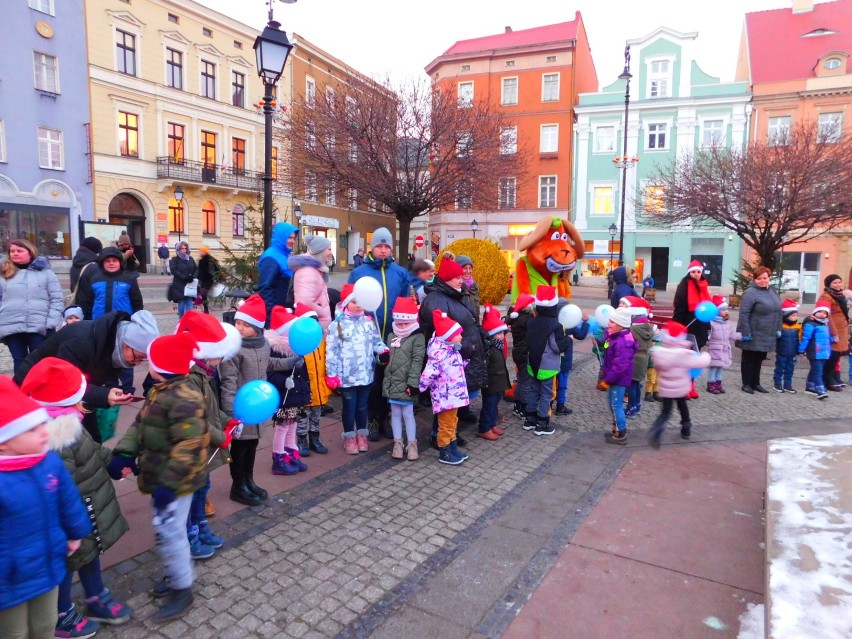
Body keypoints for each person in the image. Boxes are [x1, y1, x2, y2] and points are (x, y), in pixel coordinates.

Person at [21, 358, 132, 636]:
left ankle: (95, 595)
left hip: (86, 506)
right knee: (66, 565)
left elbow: (91, 449)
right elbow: (57, 487)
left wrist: (113, 462)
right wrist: (68, 523)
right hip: (72, 515)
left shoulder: (67, 422)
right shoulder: (53, 440)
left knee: (90, 553)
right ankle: (61, 614)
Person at [109, 332, 214, 621]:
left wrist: (169, 482)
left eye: (150, 361)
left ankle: (183, 588)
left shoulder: (184, 398)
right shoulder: (161, 390)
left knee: (172, 533)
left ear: (162, 366)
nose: (147, 366)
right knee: (166, 531)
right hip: (162, 479)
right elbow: (140, 424)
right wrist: (124, 453)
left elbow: (190, 446)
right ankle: (174, 576)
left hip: (176, 483)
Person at [0, 377, 91, 639]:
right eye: (31, 429)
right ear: (4, 441)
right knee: (13, 632)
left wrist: (75, 533)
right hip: (8, 578)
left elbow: (68, 500)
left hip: (47, 562)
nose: (44, 432)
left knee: (45, 624)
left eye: (43, 424)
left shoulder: (48, 463)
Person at [14, 309, 161, 443]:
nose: (137, 362)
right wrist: (104, 395)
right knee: (46, 441)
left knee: (90, 439)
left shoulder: (111, 341)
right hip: (36, 386)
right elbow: (65, 384)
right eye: (138, 357)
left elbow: (105, 370)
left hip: (71, 394)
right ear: (126, 344)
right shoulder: (81, 343)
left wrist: (112, 388)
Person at [219, 295, 298, 505]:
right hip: (239, 409)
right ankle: (238, 486)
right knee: (239, 448)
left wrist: (290, 362)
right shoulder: (233, 350)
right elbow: (228, 382)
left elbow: (269, 364)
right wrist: (229, 412)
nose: (240, 327)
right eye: (237, 323)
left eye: (245, 324)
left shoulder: (263, 344)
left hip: (257, 407)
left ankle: (249, 480)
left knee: (252, 445)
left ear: (257, 327)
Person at [348, 227, 415, 440]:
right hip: (368, 334)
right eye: (379, 246)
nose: (383, 250)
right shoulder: (359, 273)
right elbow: (349, 303)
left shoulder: (400, 273)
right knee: (372, 380)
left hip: (393, 334)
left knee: (392, 377)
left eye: (387, 246)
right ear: (372, 247)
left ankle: (386, 417)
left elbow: (405, 302)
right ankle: (372, 418)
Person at [419, 258, 487, 433]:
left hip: (463, 354)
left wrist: (483, 337)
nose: (461, 279)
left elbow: (471, 319)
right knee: (445, 398)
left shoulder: (458, 294)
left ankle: (454, 425)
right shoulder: (437, 300)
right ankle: (440, 435)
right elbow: (442, 334)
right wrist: (466, 347)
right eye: (457, 277)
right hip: (452, 357)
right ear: (447, 279)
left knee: (458, 394)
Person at [326, 284, 389, 454]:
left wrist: (383, 351)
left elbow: (376, 342)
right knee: (349, 407)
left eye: (360, 301)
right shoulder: (337, 325)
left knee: (362, 407)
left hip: (365, 374)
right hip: (346, 376)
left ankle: (362, 435)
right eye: (353, 301)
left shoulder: (369, 323)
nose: (357, 305)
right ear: (346, 303)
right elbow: (331, 351)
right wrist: (331, 374)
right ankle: (349, 437)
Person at [0, 239, 64, 373]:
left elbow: (56, 299)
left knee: (40, 361)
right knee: (19, 361)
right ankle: (20, 391)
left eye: (19, 251)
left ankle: (39, 392)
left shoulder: (46, 273)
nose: (15, 254)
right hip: (12, 326)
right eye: (12, 251)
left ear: (30, 252)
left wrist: (51, 323)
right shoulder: (4, 273)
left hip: (39, 326)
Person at [264, 306, 312, 475]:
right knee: (283, 426)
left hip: (295, 396)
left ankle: (291, 453)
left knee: (293, 424)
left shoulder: (296, 348)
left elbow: (303, 374)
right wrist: (285, 381)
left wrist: (305, 389)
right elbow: (270, 375)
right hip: (284, 396)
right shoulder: (275, 350)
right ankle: (278, 457)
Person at [648, 321, 711, 448]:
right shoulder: (685, 354)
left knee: (666, 412)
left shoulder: (660, 353)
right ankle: (686, 427)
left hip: (666, 388)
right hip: (681, 387)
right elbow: (701, 362)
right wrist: (706, 355)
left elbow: (657, 367)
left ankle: (657, 428)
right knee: (683, 407)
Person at [419, 309, 470, 465]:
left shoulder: (452, 350)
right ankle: (445, 452)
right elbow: (429, 373)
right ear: (448, 337)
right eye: (458, 334)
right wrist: (420, 386)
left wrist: (464, 364)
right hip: (446, 397)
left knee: (453, 423)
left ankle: (452, 447)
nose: (461, 337)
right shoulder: (439, 354)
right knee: (446, 425)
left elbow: (453, 367)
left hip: (455, 396)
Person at [382, 297, 425, 460]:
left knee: (408, 414)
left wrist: (413, 383)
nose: (401, 327)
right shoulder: (392, 335)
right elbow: (388, 358)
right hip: (393, 383)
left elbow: (417, 361)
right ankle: (397, 443)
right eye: (399, 324)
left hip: (407, 384)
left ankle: (412, 444)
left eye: (405, 324)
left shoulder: (417, 337)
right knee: (395, 414)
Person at [523, 286, 570, 437]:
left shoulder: (531, 322)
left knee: (533, 390)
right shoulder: (555, 325)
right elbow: (557, 347)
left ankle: (529, 420)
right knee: (546, 394)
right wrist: (567, 340)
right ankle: (542, 423)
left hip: (532, 363)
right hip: (547, 366)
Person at [736, 266, 782, 394]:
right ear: (754, 279)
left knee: (759, 358)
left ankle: (756, 383)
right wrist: (745, 332)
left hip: (767, 332)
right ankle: (746, 383)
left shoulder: (772, 291)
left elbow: (778, 311)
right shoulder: (750, 293)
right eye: (759, 278)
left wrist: (778, 328)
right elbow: (744, 313)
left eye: (765, 278)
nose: (763, 281)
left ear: (769, 278)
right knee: (749, 358)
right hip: (753, 331)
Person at [292, 303, 331, 457]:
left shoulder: (321, 339)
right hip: (304, 386)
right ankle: (301, 440)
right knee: (302, 415)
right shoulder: (297, 343)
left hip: (318, 385)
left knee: (316, 414)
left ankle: (315, 438)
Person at [76, 246, 144, 320]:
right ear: (102, 263)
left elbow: (137, 303)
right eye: (107, 261)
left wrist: (136, 319)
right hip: (99, 322)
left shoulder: (129, 279)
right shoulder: (94, 279)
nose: (111, 263)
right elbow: (87, 303)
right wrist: (88, 321)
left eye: (114, 261)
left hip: (123, 322)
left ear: (120, 263)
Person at [602, 307, 638, 445]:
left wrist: (607, 380)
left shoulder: (623, 342)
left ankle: (621, 433)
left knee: (616, 405)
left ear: (620, 325)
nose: (608, 324)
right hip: (613, 378)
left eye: (611, 322)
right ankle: (615, 429)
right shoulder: (616, 335)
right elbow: (608, 341)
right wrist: (605, 333)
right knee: (612, 404)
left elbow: (619, 366)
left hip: (618, 379)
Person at [477, 305, 511, 440]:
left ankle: (491, 424)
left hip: (498, 382)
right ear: (491, 335)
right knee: (488, 406)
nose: (502, 336)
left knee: (494, 405)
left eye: (502, 333)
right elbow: (485, 367)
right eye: (499, 333)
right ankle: (484, 428)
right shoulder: (489, 348)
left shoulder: (498, 345)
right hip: (491, 383)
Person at [619, 297, 655, 418]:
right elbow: (649, 345)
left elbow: (628, 344)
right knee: (637, 384)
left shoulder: (632, 329)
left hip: (634, 358)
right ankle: (637, 405)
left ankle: (631, 408)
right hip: (644, 358)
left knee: (631, 385)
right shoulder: (648, 328)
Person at [553, 298, 590, 415]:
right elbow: (581, 335)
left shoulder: (551, 321)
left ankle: (547, 404)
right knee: (563, 382)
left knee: (550, 381)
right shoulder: (570, 323)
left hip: (551, 358)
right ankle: (560, 405)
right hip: (565, 359)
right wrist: (585, 322)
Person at [257, 222, 299, 321]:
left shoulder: (284, 255)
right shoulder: (271, 257)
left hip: (283, 310)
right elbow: (265, 288)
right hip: (276, 313)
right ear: (281, 237)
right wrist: (272, 314)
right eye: (289, 237)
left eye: (294, 238)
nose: (292, 241)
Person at [289, 234, 333, 330]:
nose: (331, 253)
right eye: (329, 249)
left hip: (317, 325)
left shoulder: (315, 269)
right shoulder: (308, 271)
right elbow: (304, 302)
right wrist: (323, 311)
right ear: (319, 251)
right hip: (313, 327)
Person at [816, 274, 849, 391]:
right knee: (832, 355)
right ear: (829, 284)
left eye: (839, 282)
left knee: (838, 355)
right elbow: (826, 315)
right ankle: (827, 379)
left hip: (843, 329)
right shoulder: (826, 296)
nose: (838, 284)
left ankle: (834, 376)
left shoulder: (840, 295)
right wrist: (833, 332)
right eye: (834, 283)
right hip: (833, 329)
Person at [506, 294, 535, 419]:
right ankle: (521, 408)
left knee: (521, 380)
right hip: (525, 353)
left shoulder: (517, 318)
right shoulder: (528, 320)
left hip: (518, 351)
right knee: (525, 382)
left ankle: (518, 406)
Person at [706, 296, 741, 394]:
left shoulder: (727, 323)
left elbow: (731, 334)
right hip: (715, 349)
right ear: (717, 311)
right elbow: (708, 335)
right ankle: (711, 384)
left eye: (726, 309)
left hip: (724, 348)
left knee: (720, 367)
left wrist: (741, 336)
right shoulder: (711, 323)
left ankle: (718, 383)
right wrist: (707, 336)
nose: (726, 311)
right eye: (723, 310)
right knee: (713, 367)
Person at [799, 304, 833, 399]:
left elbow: (826, 338)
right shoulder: (810, 324)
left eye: (824, 313)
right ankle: (820, 389)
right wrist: (801, 349)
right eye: (820, 312)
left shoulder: (825, 324)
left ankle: (810, 386)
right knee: (818, 371)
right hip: (815, 351)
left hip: (824, 352)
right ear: (814, 313)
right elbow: (806, 338)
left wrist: (832, 339)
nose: (822, 314)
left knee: (817, 369)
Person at [773, 299, 801, 393]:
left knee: (790, 369)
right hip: (781, 352)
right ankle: (777, 384)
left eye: (796, 315)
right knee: (779, 368)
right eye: (793, 316)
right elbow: (774, 337)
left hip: (792, 353)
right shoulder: (780, 326)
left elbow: (801, 338)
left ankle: (787, 385)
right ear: (786, 316)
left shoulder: (798, 327)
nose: (795, 317)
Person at [168, 241, 197, 318]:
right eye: (182, 248)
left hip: (190, 285)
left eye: (185, 248)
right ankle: (181, 320)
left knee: (189, 304)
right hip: (179, 285)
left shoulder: (190, 259)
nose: (184, 250)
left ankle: (188, 321)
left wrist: (193, 277)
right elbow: (174, 270)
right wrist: (184, 277)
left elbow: (196, 269)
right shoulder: (174, 259)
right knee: (181, 304)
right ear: (178, 249)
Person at [197, 246, 223, 315]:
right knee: (203, 294)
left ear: (205, 252)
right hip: (203, 279)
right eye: (200, 251)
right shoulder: (202, 260)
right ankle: (205, 308)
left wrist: (216, 278)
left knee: (203, 293)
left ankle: (206, 310)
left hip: (208, 279)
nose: (200, 252)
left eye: (202, 251)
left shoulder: (209, 260)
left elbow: (212, 270)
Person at [456, 254, 481, 321]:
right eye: (465, 268)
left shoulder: (475, 286)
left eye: (470, 268)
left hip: (475, 322)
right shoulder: (456, 286)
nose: (468, 271)